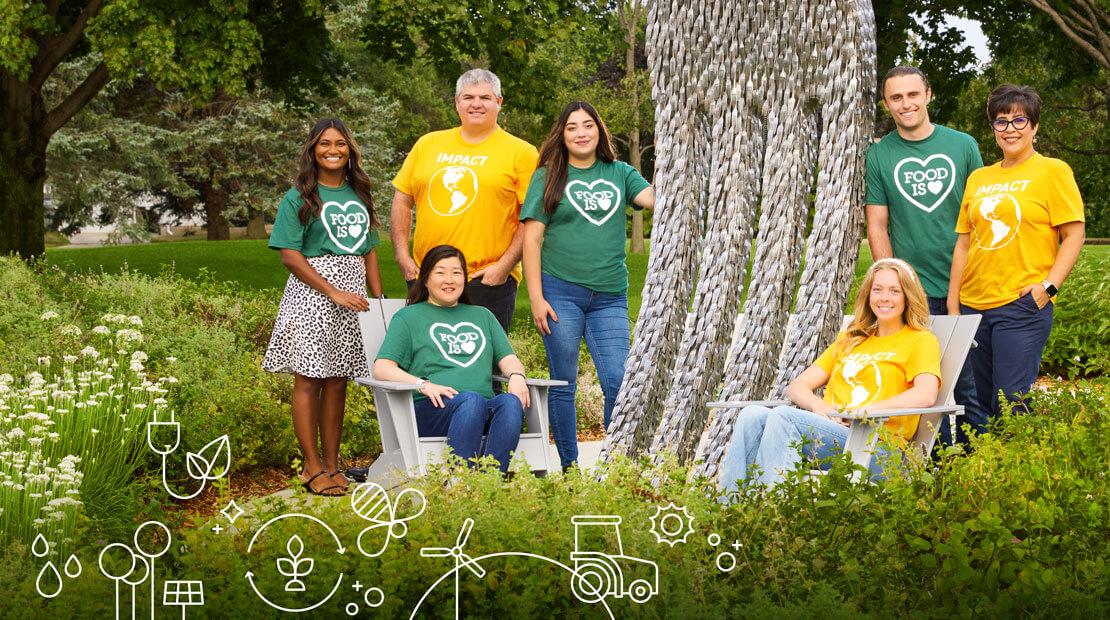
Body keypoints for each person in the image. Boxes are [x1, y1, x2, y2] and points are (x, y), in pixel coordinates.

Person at [718, 259, 941, 492]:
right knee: (751, 415)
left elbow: (925, 394)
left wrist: (864, 412)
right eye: (878, 289)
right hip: (834, 433)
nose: (884, 297)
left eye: (895, 291)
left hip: (877, 448)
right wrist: (818, 406)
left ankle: (773, 516)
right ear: (868, 295)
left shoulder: (920, 340)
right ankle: (733, 513)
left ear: (907, 296)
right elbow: (797, 386)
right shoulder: (852, 340)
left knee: (784, 417)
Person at [520, 102, 654, 470]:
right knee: (563, 383)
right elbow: (530, 241)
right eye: (572, 127)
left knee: (618, 379)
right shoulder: (548, 176)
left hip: (609, 296)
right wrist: (536, 298)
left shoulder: (620, 173)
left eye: (588, 125)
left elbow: (655, 199)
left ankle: (614, 464)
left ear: (600, 131)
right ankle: (570, 468)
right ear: (562, 135)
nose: (581, 133)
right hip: (560, 292)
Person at [864, 65, 987, 448]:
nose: (906, 104)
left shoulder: (962, 145)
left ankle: (978, 464)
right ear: (887, 105)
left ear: (928, 95)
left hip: (965, 286)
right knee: (922, 386)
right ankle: (929, 472)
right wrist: (895, 282)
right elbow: (878, 226)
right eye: (896, 98)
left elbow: (981, 216)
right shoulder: (880, 155)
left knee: (967, 385)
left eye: (912, 94)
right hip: (913, 292)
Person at [948, 84, 1085, 420]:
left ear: (1034, 126)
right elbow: (965, 243)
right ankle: (981, 469)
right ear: (993, 129)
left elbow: (1075, 233)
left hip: (1020, 305)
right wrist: (954, 305)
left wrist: (1048, 287)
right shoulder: (979, 178)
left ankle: (1014, 470)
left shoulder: (1053, 171)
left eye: (1019, 120)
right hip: (973, 306)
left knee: (1010, 400)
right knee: (976, 401)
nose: (1010, 129)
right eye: (1001, 121)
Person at [263, 118, 384, 496]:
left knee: (337, 380)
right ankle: (312, 466)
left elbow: (369, 251)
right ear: (313, 150)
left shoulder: (359, 193)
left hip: (354, 295)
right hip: (313, 294)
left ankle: (333, 464)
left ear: (351, 150)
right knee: (310, 377)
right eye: (325, 144)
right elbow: (289, 255)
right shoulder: (299, 195)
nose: (333, 150)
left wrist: (379, 302)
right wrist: (333, 291)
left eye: (341, 144)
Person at [390, 68, 539, 334]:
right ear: (457, 103)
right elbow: (402, 200)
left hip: (485, 279)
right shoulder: (427, 144)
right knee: (424, 358)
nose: (476, 104)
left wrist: (503, 267)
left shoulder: (521, 152)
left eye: (485, 97)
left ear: (499, 102)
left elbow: (531, 218)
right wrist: (402, 255)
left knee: (480, 363)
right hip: (426, 275)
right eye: (468, 97)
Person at [373, 245, 531, 474]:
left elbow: (508, 358)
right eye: (440, 272)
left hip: (481, 408)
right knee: (471, 400)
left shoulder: (482, 315)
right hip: (433, 411)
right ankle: (461, 482)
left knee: (509, 402)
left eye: (456, 273)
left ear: (465, 279)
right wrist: (423, 385)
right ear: (425, 279)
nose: (449, 280)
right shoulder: (408, 317)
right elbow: (382, 368)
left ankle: (488, 484)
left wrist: (517, 376)